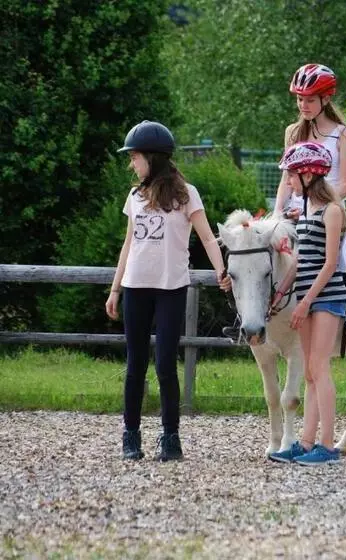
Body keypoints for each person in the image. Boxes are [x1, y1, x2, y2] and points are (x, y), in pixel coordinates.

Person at [106, 120, 230, 461]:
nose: (132, 163)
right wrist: (115, 289)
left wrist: (222, 271)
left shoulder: (187, 194)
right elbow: (129, 243)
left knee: (164, 365)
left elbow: (207, 237)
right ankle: (130, 435)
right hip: (135, 287)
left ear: (153, 158)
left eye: (135, 157)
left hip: (171, 288)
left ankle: (170, 436)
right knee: (135, 365)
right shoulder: (134, 196)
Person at [273, 63, 346, 339]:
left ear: (326, 99)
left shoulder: (342, 135)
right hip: (295, 209)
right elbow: (287, 177)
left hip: (328, 208)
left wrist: (314, 206)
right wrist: (277, 213)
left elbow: (345, 184)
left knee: (341, 254)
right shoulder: (292, 132)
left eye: (309, 100)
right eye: (299, 99)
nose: (303, 105)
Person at [268, 142, 346, 466]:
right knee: (310, 375)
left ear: (308, 174)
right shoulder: (305, 210)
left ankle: (328, 447)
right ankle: (305, 442)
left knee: (319, 368)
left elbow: (330, 262)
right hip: (306, 295)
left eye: (290, 176)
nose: (287, 182)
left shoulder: (332, 210)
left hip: (327, 297)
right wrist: (282, 293)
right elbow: (301, 259)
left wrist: (306, 302)